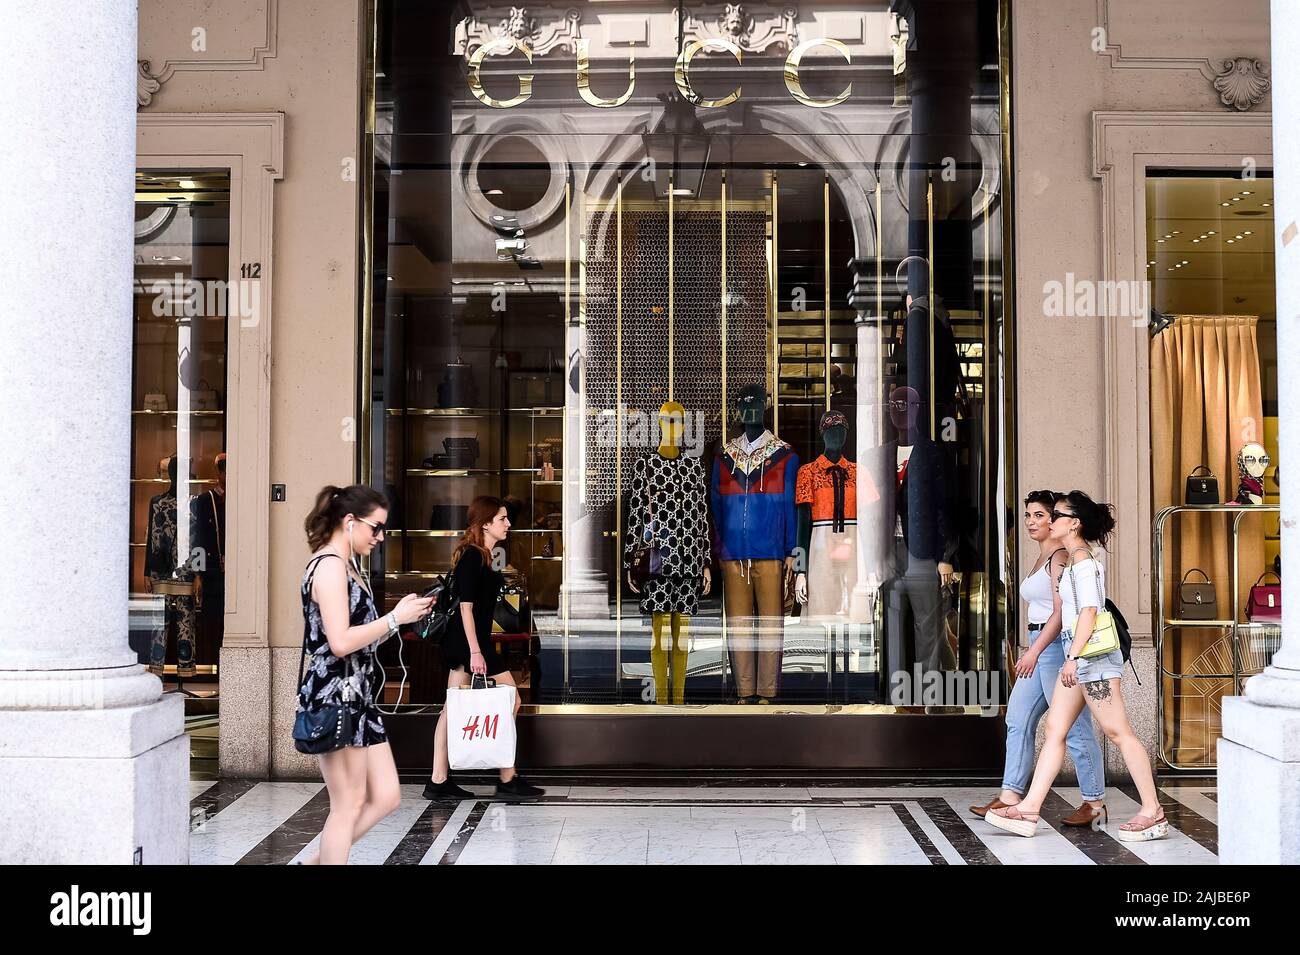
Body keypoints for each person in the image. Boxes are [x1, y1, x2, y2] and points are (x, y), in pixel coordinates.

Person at [985, 491, 1167, 841]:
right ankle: (1028, 809)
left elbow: (1089, 612)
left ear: (1075, 523)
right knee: (1055, 729)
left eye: (1057, 514)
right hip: (1079, 652)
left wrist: (1073, 657)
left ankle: (1153, 811)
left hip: (1091, 657)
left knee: (1118, 731)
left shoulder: (1083, 562)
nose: (1050, 518)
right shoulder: (1073, 561)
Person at [296, 484, 432, 864]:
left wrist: (398, 617)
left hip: (358, 698)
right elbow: (339, 642)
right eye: (376, 527)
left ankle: (316, 862)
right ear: (350, 521)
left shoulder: (348, 567)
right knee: (348, 804)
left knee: (387, 796)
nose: (380, 537)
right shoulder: (329, 567)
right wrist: (393, 619)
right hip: (336, 695)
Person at [970, 490, 1106, 827]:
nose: (1032, 522)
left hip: (1054, 648)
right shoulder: (1042, 556)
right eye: (1028, 515)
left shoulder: (1060, 557)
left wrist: (1034, 650)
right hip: (1038, 644)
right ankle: (1009, 795)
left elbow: (1062, 612)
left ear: (1057, 521)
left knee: (1073, 727)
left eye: (1041, 516)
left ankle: (1094, 801)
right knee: (1017, 719)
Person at [425, 495, 544, 802]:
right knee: (512, 698)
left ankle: (439, 780)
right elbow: (465, 608)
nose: (508, 524)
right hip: (469, 643)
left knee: (451, 710)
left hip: (468, 641)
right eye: (502, 519)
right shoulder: (472, 557)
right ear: (486, 524)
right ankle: (507, 777)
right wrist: (476, 652)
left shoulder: (484, 555)